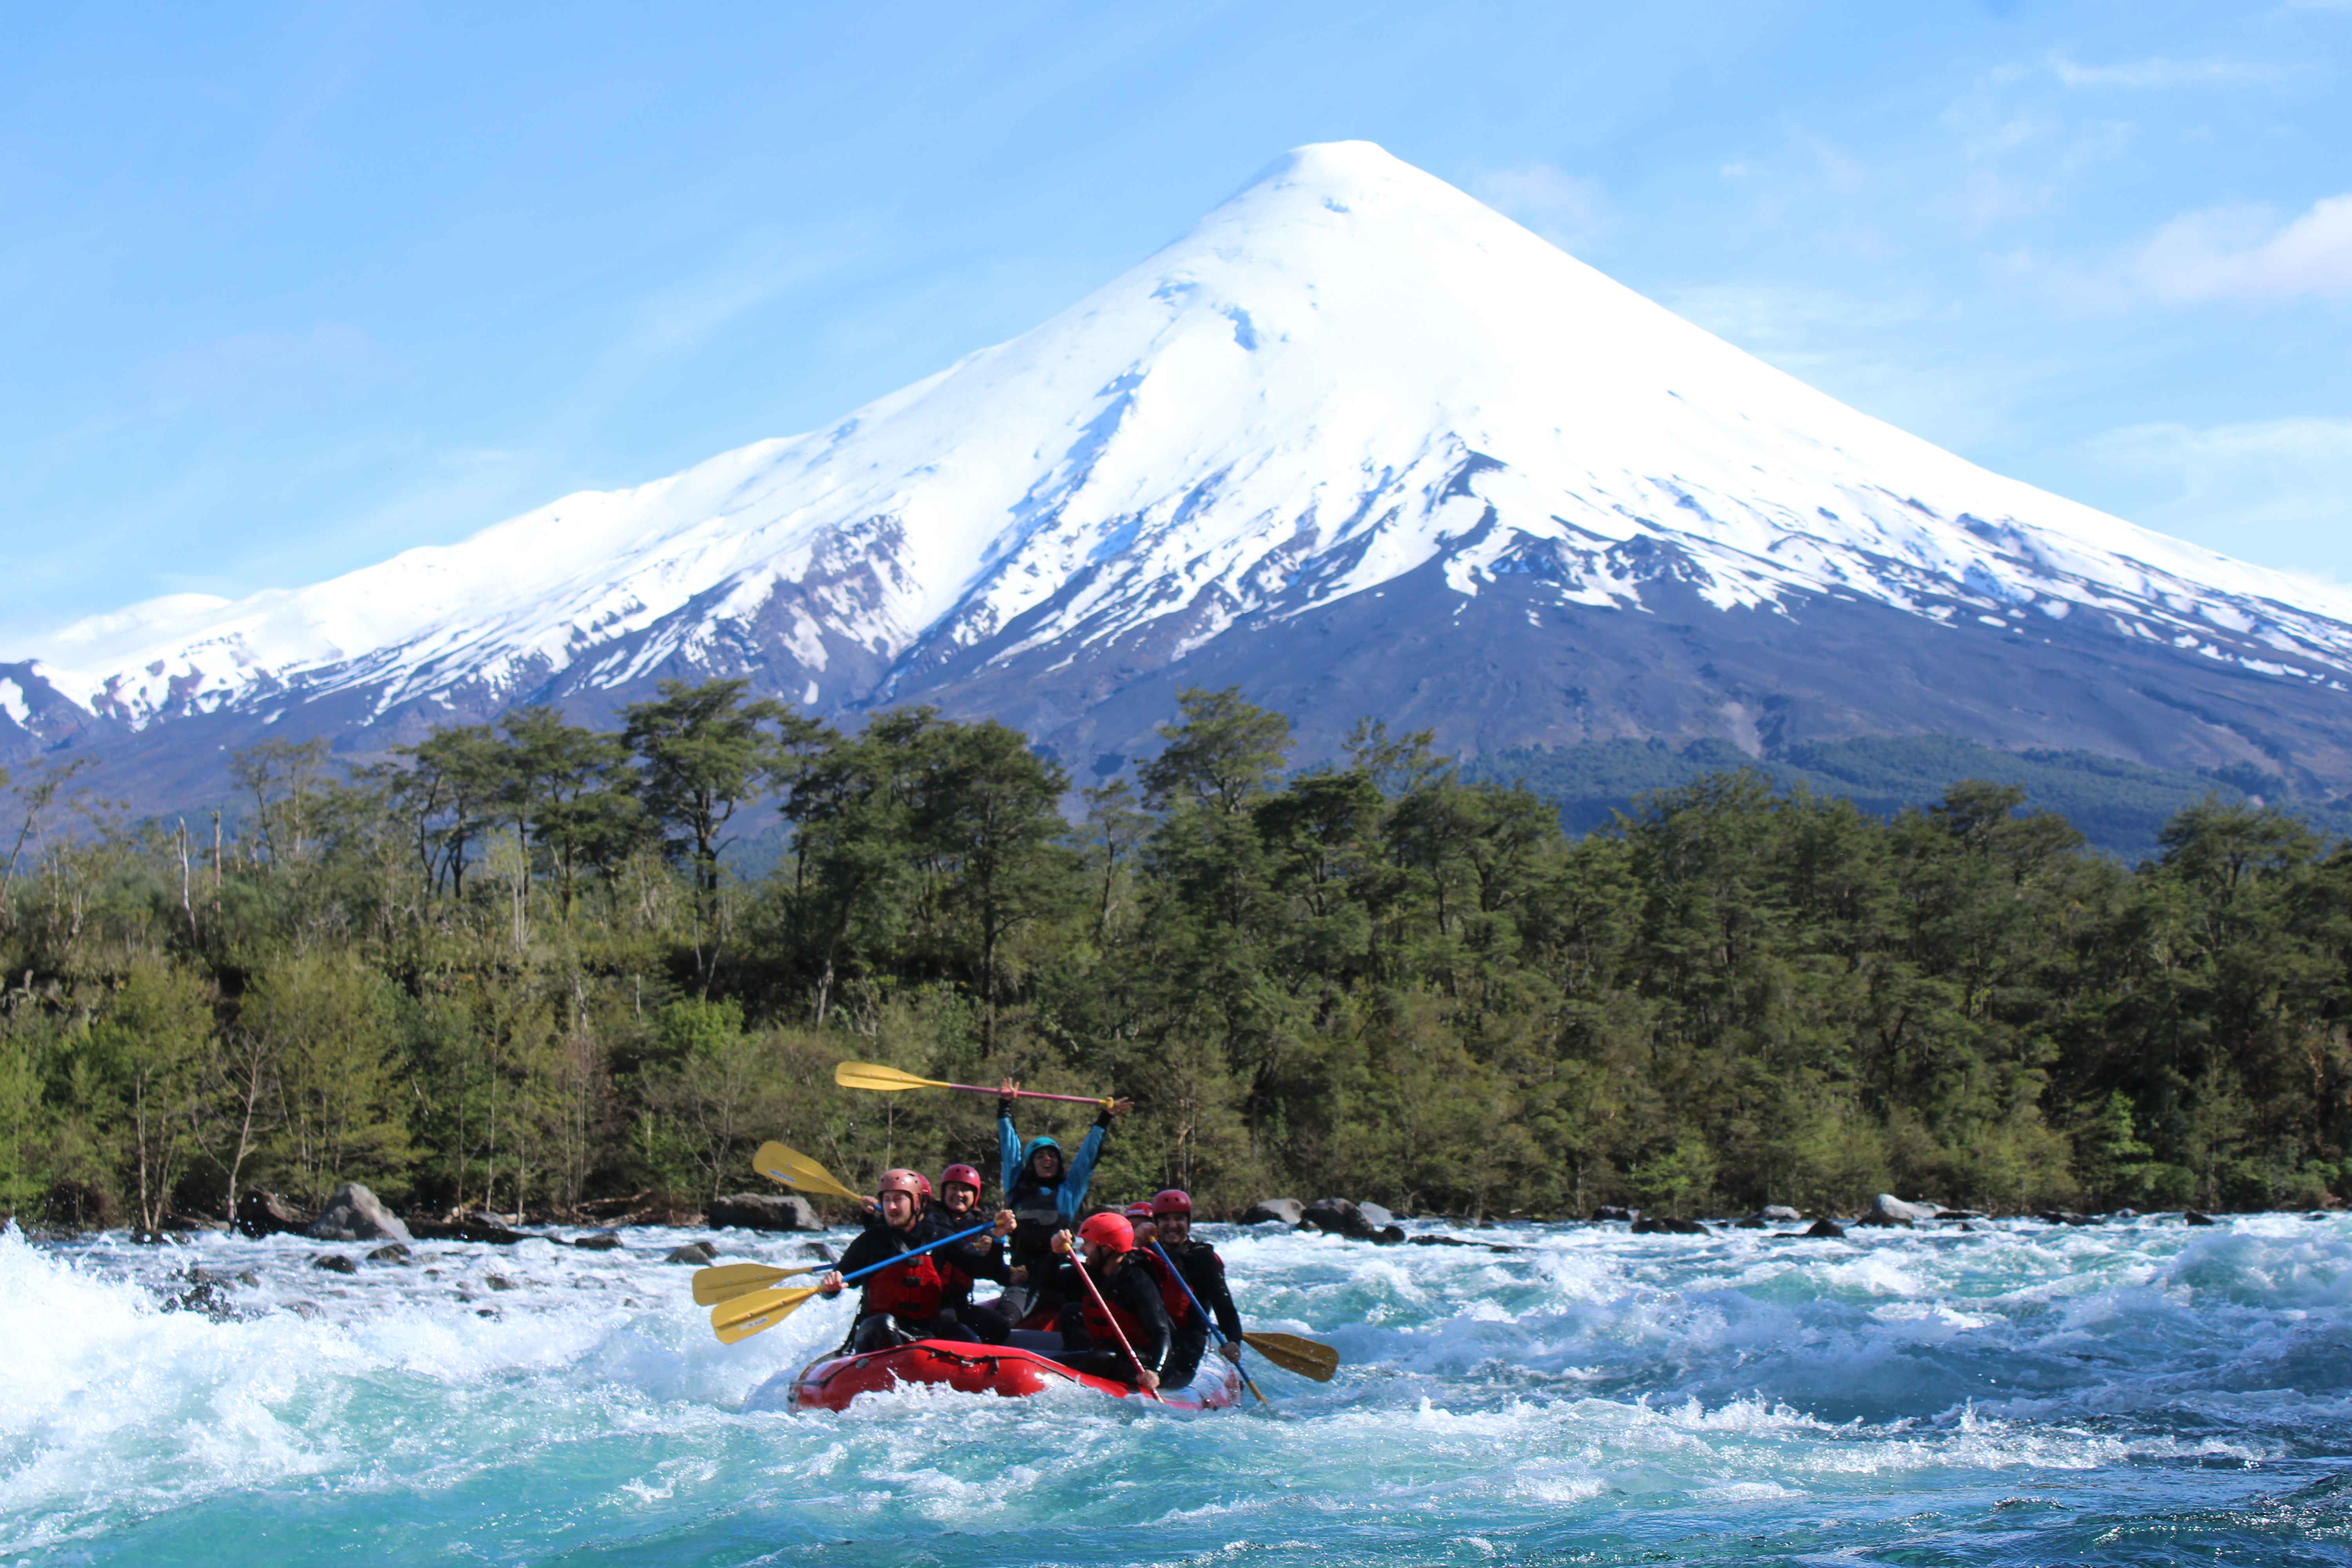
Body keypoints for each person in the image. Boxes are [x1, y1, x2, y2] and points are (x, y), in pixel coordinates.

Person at [817, 1168, 1012, 1352]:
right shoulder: (871, 1240)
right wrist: (831, 1286)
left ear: (918, 1203)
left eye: (899, 1199)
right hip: (876, 1330)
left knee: (968, 1340)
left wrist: (997, 1240)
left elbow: (983, 1269)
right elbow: (839, 1282)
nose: (892, 1207)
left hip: (926, 1329)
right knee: (886, 1325)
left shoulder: (939, 1237)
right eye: (887, 1200)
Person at [998, 1081, 1130, 1315]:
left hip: (1059, 1275)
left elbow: (1087, 1156)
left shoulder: (1069, 1191)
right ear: (1031, 1165)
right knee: (1005, 1317)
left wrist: (1104, 1119)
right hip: (1023, 1277)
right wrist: (1005, 1107)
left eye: (1052, 1155)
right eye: (1040, 1157)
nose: (1048, 1160)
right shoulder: (1017, 1190)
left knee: (1079, 1308)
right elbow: (1009, 1150)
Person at [1038, 1212, 1196, 1392]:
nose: (1082, 1250)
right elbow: (1048, 1284)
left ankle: (1073, 1366)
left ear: (1106, 1248)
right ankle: (1073, 1360)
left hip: (1158, 1361)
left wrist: (1155, 1371)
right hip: (1117, 1350)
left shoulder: (1138, 1280)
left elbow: (1161, 1333)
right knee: (1071, 1313)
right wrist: (1055, 1254)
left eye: (1087, 1244)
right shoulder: (1093, 1271)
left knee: (1102, 1358)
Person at [1145, 1188, 1244, 1363]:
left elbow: (1223, 1305)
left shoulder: (1203, 1258)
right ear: (1156, 1223)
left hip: (1187, 1342)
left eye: (1179, 1219)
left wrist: (1234, 1340)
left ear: (1189, 1223)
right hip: (1149, 1336)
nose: (1172, 1225)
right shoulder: (1145, 1254)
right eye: (1165, 1219)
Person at [929, 1162, 1017, 1343]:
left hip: (959, 1303)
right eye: (953, 1188)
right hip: (929, 1302)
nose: (959, 1194)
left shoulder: (981, 1227)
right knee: (949, 1322)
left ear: (975, 1196)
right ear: (944, 1192)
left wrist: (1010, 1273)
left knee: (999, 1326)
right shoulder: (929, 1218)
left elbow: (990, 1270)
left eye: (965, 1190)